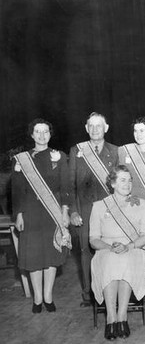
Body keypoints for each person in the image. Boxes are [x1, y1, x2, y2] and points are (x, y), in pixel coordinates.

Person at [12, 119, 71, 313]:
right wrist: (19, 214)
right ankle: (37, 298)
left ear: (50, 134)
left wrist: (64, 212)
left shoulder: (59, 156)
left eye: (45, 131)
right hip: (30, 213)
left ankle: (48, 296)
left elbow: (65, 187)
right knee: (34, 256)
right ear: (32, 134)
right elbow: (18, 190)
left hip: (52, 213)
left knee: (51, 254)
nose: (42, 135)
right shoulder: (21, 159)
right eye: (38, 132)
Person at [89, 166, 145, 340]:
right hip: (106, 248)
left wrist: (129, 246)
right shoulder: (99, 206)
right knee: (110, 260)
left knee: (127, 260)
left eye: (129, 180)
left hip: (135, 248)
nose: (127, 184)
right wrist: (109, 248)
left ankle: (122, 315)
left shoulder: (143, 204)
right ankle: (111, 317)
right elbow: (93, 239)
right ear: (113, 183)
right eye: (122, 180)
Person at [69, 112, 119, 307]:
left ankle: (110, 292)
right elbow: (70, 184)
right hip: (86, 211)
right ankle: (89, 294)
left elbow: (120, 184)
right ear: (86, 128)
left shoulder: (115, 151)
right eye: (92, 126)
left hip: (110, 212)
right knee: (86, 252)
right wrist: (73, 211)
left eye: (99, 126)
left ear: (106, 128)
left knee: (111, 251)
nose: (96, 129)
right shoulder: (77, 151)